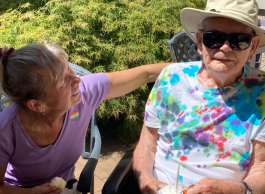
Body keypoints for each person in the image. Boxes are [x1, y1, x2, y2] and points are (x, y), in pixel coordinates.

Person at [0, 44, 170, 194]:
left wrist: (193, 69)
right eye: (62, 82)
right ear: (36, 105)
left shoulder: (85, 91)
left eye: (69, 70)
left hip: (66, 188)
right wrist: (31, 193)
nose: (76, 80)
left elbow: (146, 74)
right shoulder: (6, 129)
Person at [133, 0, 265, 193]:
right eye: (214, 38)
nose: (225, 48)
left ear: (253, 47)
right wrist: (146, 181)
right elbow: (147, 144)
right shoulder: (172, 78)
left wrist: (236, 190)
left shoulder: (261, 91)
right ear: (200, 41)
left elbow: (261, 166)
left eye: (239, 40)